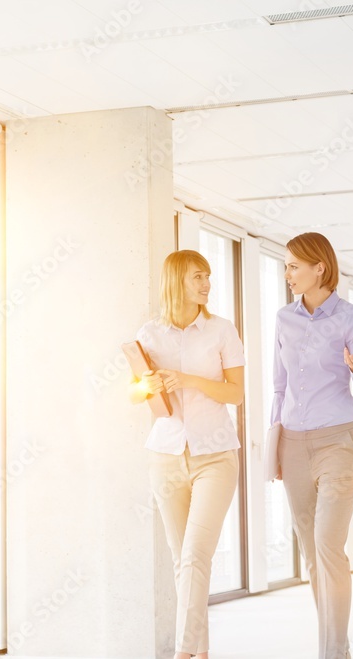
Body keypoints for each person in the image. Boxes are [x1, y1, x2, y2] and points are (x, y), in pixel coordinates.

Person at [131, 249, 245, 659]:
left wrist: (189, 379)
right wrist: (146, 386)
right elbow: (137, 396)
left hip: (215, 455)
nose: (206, 283)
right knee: (184, 562)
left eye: (208, 276)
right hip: (165, 456)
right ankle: (201, 652)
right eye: (198, 276)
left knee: (196, 556)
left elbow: (236, 393)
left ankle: (181, 653)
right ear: (176, 280)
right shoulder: (149, 334)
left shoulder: (222, 330)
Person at [271, 232, 353, 659]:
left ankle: (332, 652)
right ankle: (338, 650)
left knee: (328, 547)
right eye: (285, 266)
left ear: (320, 267)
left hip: (339, 444)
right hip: (293, 445)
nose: (287, 273)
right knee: (312, 555)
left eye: (294, 266)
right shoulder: (284, 318)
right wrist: (275, 446)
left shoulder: (351, 317)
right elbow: (279, 387)